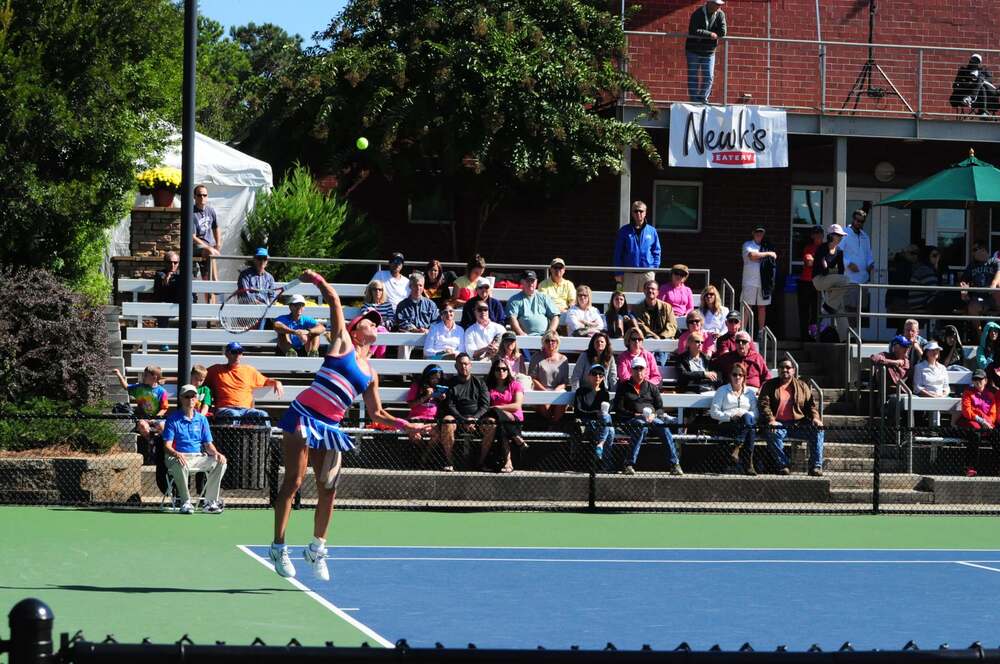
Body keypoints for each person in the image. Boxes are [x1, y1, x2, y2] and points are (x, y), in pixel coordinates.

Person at [270, 271, 429, 579]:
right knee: (294, 481)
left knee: (329, 487)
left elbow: (377, 413)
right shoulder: (341, 341)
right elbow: (333, 300)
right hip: (304, 415)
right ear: (356, 331)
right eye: (369, 321)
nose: (375, 324)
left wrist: (405, 425)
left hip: (330, 426)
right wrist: (315, 279)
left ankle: (316, 549)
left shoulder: (371, 372)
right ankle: (279, 546)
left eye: (376, 322)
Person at [162, 384, 227, 514]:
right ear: (181, 399)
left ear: (196, 398)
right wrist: (176, 454)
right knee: (180, 463)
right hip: (176, 457)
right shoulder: (172, 419)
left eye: (193, 396)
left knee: (221, 462)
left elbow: (208, 445)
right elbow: (167, 446)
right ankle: (186, 502)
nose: (190, 399)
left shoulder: (202, 419)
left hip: (197, 457)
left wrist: (216, 453)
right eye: (187, 396)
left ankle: (210, 503)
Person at [611, 355, 681, 475]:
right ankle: (628, 464)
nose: (639, 372)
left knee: (663, 428)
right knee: (640, 426)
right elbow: (619, 408)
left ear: (646, 370)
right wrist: (635, 414)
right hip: (632, 420)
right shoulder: (623, 387)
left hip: (652, 419)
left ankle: (675, 464)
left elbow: (659, 408)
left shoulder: (652, 387)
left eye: (641, 369)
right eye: (636, 369)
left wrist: (654, 415)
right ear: (631, 370)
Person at [759, 360, 825, 476]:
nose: (785, 370)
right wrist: (771, 420)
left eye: (788, 367)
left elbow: (811, 405)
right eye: (781, 367)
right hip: (777, 424)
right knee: (772, 432)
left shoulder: (802, 386)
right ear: (778, 370)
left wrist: (815, 418)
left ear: (793, 370)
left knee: (818, 430)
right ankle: (783, 465)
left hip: (797, 424)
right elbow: (764, 404)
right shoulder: (769, 385)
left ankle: (816, 466)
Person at [207, 342, 283, 425]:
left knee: (263, 415)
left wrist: (276, 382)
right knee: (234, 415)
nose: (237, 355)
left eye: (239, 352)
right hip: (225, 409)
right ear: (227, 354)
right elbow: (198, 376)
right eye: (234, 352)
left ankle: (266, 438)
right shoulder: (216, 370)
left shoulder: (249, 370)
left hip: (246, 410)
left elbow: (265, 381)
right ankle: (235, 438)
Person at [439, 353, 491, 470]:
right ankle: (449, 461)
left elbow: (485, 405)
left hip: (477, 419)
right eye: (461, 364)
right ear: (456, 366)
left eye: (466, 364)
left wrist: (474, 419)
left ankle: (481, 462)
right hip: (457, 419)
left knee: (491, 423)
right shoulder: (450, 383)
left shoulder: (480, 383)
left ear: (470, 365)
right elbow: (450, 405)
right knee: (447, 421)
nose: (464, 367)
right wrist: (463, 420)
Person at [709, 362, 759, 475]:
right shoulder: (722, 390)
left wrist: (744, 415)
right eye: (734, 374)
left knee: (748, 419)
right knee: (750, 428)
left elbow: (756, 413)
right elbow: (714, 412)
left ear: (744, 377)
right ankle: (749, 464)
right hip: (728, 424)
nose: (737, 377)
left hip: (744, 424)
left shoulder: (750, 393)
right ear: (730, 376)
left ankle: (737, 447)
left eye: (740, 375)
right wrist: (729, 417)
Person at [478, 359, 526, 473]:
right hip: (501, 422)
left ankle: (481, 462)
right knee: (501, 426)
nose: (501, 371)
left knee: (501, 422)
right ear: (493, 371)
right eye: (498, 369)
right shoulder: (488, 386)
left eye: (504, 369)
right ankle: (509, 460)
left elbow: (517, 405)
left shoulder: (515, 385)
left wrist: (497, 408)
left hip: (513, 418)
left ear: (508, 371)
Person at [812, 224, 853, 340]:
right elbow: (823, 271)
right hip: (819, 280)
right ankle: (827, 306)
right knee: (846, 280)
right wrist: (830, 270)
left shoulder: (839, 251)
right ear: (831, 236)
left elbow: (841, 271)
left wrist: (830, 270)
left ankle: (846, 338)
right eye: (838, 235)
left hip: (831, 281)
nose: (841, 238)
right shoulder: (822, 248)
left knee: (840, 307)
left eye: (842, 235)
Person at [958, 369, 999, 477]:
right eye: (975, 379)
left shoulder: (990, 395)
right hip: (970, 422)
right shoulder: (967, 393)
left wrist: (988, 423)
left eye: (980, 379)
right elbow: (967, 412)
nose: (977, 382)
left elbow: (993, 413)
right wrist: (982, 421)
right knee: (975, 434)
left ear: (985, 380)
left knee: (997, 435)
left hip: (987, 424)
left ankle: (997, 467)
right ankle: (970, 467)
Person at [613, 201, 661, 293]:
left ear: (645, 213)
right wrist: (618, 272)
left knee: (646, 303)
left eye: (641, 211)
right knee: (629, 302)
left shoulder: (652, 231)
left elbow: (656, 251)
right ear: (632, 213)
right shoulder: (624, 231)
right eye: (635, 211)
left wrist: (654, 269)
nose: (638, 213)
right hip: (629, 274)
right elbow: (618, 253)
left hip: (647, 273)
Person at [405, 364, 449, 463]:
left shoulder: (439, 388)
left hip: (431, 419)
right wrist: (425, 396)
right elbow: (411, 405)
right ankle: (422, 453)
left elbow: (444, 408)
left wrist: (442, 399)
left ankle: (425, 455)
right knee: (415, 435)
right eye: (432, 378)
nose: (435, 381)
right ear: (427, 376)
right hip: (416, 418)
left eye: (437, 378)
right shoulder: (417, 386)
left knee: (437, 434)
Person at [685, 0, 727, 103]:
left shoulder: (720, 14)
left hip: (709, 51)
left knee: (709, 76)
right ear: (709, 3)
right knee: (693, 76)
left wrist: (708, 34)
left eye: (720, 5)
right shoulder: (698, 13)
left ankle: (703, 98)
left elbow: (723, 32)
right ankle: (694, 100)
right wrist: (709, 34)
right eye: (717, 4)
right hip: (693, 50)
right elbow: (693, 30)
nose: (718, 7)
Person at [113, 366, 168, 441]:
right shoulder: (139, 388)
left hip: (157, 418)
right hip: (143, 418)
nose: (143, 377)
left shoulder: (162, 391)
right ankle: (151, 442)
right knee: (142, 425)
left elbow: (164, 408)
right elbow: (126, 387)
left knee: (162, 426)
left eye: (146, 375)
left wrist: (154, 418)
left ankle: (162, 445)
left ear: (154, 378)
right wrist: (119, 374)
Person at [574, 364, 615, 463]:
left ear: (603, 378)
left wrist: (601, 414)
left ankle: (600, 445)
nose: (597, 377)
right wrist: (595, 414)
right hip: (586, 423)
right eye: (594, 374)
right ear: (589, 376)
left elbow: (604, 412)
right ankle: (606, 463)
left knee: (610, 428)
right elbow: (578, 411)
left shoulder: (604, 393)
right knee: (610, 430)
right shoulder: (581, 391)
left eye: (600, 375)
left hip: (600, 424)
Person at [741, 227, 778, 336]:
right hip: (749, 282)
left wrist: (768, 254)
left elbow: (773, 260)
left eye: (761, 232)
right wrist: (768, 254)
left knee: (762, 307)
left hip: (764, 282)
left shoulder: (767, 246)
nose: (759, 234)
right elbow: (752, 256)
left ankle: (761, 332)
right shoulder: (748, 244)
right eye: (757, 232)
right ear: (753, 233)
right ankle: (743, 332)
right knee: (747, 307)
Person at [528, 330, 570, 424]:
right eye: (547, 340)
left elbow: (564, 381)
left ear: (557, 342)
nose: (550, 343)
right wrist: (545, 391)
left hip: (557, 389)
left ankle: (553, 423)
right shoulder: (536, 357)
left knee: (563, 397)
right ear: (543, 342)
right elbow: (532, 378)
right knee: (544, 401)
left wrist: (555, 391)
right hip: (540, 388)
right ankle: (549, 423)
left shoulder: (563, 359)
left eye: (553, 340)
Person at [506, 270, 559, 336]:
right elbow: (512, 318)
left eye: (533, 281)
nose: (531, 283)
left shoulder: (544, 297)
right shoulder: (514, 300)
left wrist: (550, 332)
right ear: (522, 282)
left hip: (545, 338)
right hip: (525, 337)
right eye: (528, 281)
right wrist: (521, 333)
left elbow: (555, 317)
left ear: (536, 282)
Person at [192, 185, 220, 301]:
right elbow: (192, 237)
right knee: (210, 251)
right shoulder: (191, 213)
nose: (202, 197)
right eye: (199, 195)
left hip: (207, 250)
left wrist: (218, 244)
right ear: (194, 197)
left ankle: (211, 316)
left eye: (205, 195)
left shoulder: (211, 211)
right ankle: (216, 282)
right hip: (195, 247)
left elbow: (216, 228)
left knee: (207, 282)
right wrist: (209, 248)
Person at [842, 209, 875, 308]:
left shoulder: (865, 236)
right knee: (849, 310)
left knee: (861, 311)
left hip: (863, 280)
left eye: (861, 221)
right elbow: (837, 253)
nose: (858, 222)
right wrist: (848, 264)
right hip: (849, 280)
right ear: (853, 219)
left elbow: (869, 254)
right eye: (857, 220)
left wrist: (870, 263)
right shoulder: (844, 233)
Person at [913, 341, 951, 426]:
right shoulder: (919, 367)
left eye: (937, 350)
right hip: (926, 397)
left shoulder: (942, 368)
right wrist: (932, 395)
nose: (935, 352)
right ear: (926, 353)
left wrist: (943, 394)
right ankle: (934, 429)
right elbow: (917, 387)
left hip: (942, 397)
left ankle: (954, 432)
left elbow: (946, 386)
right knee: (935, 404)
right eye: (932, 350)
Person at [959, 242, 1000, 319]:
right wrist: (963, 289)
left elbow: (999, 273)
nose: (972, 253)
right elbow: (964, 280)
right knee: (972, 308)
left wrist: (993, 284)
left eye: (974, 250)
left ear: (983, 250)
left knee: (998, 284)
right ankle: (979, 331)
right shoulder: (972, 265)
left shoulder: (995, 261)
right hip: (978, 298)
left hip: (994, 297)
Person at [798, 225, 824, 340]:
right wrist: (822, 263)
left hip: (819, 283)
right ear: (812, 236)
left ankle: (815, 335)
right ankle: (805, 335)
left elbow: (830, 263)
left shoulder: (825, 248)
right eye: (816, 234)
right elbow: (809, 262)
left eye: (820, 234)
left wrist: (819, 262)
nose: (818, 236)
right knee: (804, 311)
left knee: (816, 311)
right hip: (806, 283)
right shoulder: (809, 247)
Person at [153, 252, 182, 328]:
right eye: (169, 262)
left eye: (175, 263)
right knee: (162, 309)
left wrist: (171, 276)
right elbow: (161, 280)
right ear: (165, 263)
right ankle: (163, 337)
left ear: (178, 263)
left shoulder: (182, 275)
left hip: (178, 307)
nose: (172, 265)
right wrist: (167, 277)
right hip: (164, 307)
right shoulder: (160, 274)